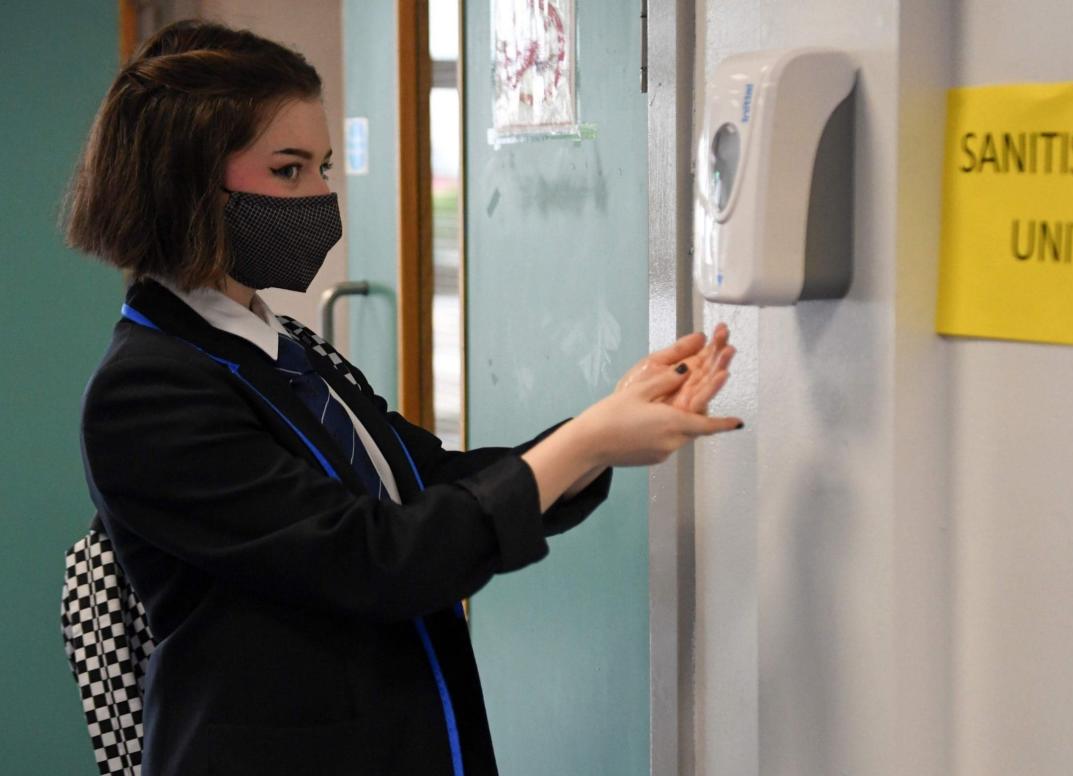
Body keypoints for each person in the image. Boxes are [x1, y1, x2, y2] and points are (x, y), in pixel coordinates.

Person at [64, 19, 741, 776]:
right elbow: (373, 557)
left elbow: (431, 486)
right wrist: (590, 443)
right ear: (186, 184)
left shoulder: (281, 347)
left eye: (322, 167)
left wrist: (600, 423)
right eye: (288, 171)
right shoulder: (146, 393)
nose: (322, 196)